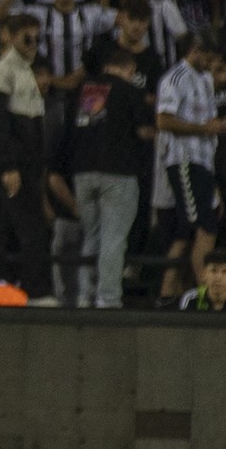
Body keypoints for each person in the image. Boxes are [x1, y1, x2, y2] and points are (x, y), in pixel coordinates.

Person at [69, 48, 154, 308]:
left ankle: (85, 296)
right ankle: (107, 298)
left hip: (83, 172)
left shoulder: (85, 90)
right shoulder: (129, 90)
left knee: (91, 235)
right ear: (129, 69)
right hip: (118, 172)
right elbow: (142, 131)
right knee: (113, 238)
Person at [154, 28, 226, 305]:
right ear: (196, 51)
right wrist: (204, 128)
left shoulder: (205, 80)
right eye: (209, 58)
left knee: (189, 229)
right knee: (203, 226)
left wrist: (217, 129)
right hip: (185, 161)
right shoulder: (175, 78)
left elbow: (208, 125)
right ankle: (205, 293)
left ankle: (170, 294)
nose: (212, 64)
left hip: (203, 162)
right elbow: (164, 121)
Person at [0, 14, 55, 305]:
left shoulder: (23, 70)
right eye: (27, 38)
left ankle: (10, 289)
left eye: (38, 38)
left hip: (28, 166)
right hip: (16, 167)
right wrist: (9, 166)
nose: (34, 44)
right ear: (10, 36)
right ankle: (35, 293)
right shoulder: (4, 71)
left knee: (14, 229)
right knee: (29, 230)